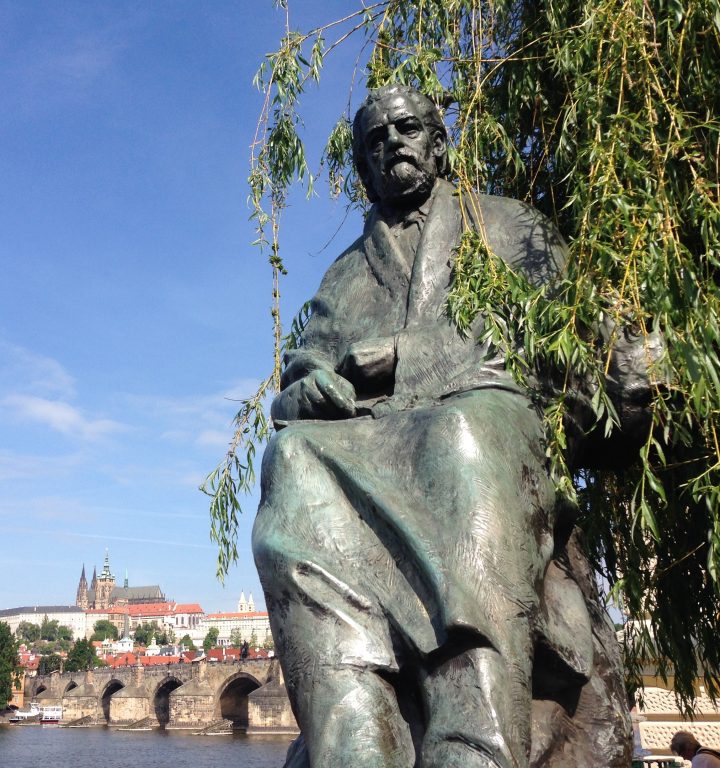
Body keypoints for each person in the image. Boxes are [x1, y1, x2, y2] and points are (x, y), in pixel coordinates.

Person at [252, 84, 647, 768]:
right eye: (375, 140)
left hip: (486, 416)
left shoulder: (508, 227)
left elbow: (558, 352)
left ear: (438, 143)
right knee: (290, 460)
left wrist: (408, 357)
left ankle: (474, 733)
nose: (393, 145)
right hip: (367, 435)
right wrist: (308, 390)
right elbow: (298, 372)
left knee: (460, 435)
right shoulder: (345, 273)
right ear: (365, 165)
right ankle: (353, 728)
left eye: (407, 129)